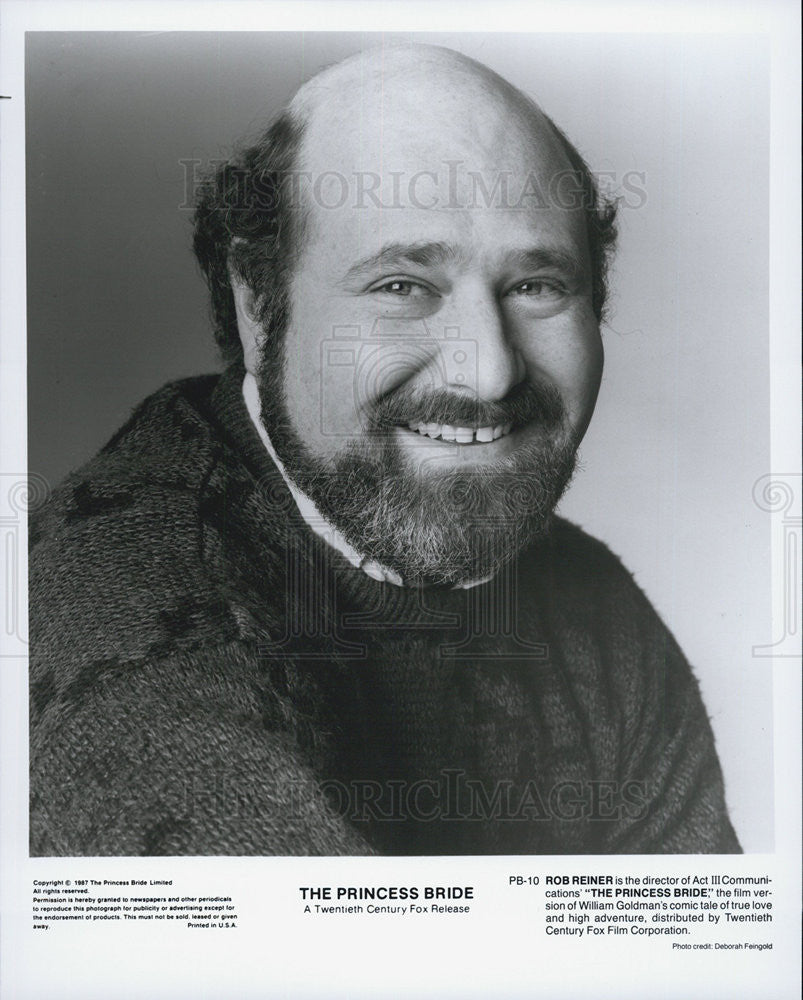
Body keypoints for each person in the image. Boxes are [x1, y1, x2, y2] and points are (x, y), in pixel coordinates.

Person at [29, 44, 740, 856]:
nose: (489, 371)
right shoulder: (121, 598)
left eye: (534, 287)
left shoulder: (593, 606)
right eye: (402, 286)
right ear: (259, 307)